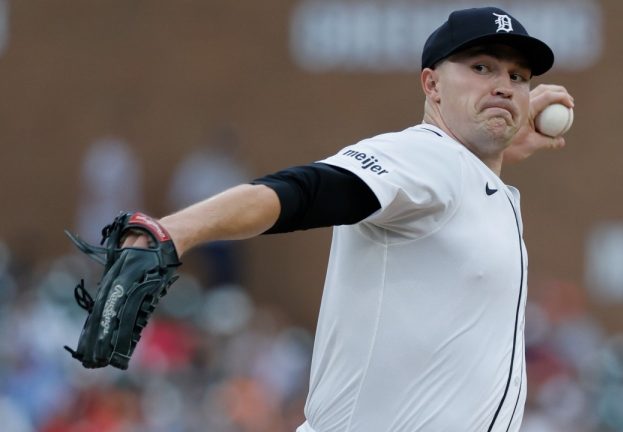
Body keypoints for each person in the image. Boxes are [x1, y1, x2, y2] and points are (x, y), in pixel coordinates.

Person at [124, 6, 574, 432]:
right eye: (482, 68)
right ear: (432, 84)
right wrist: (176, 231)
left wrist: (502, 144)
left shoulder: (460, 178)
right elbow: (309, 189)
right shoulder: (427, 155)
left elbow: (456, 187)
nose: (503, 85)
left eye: (518, 77)